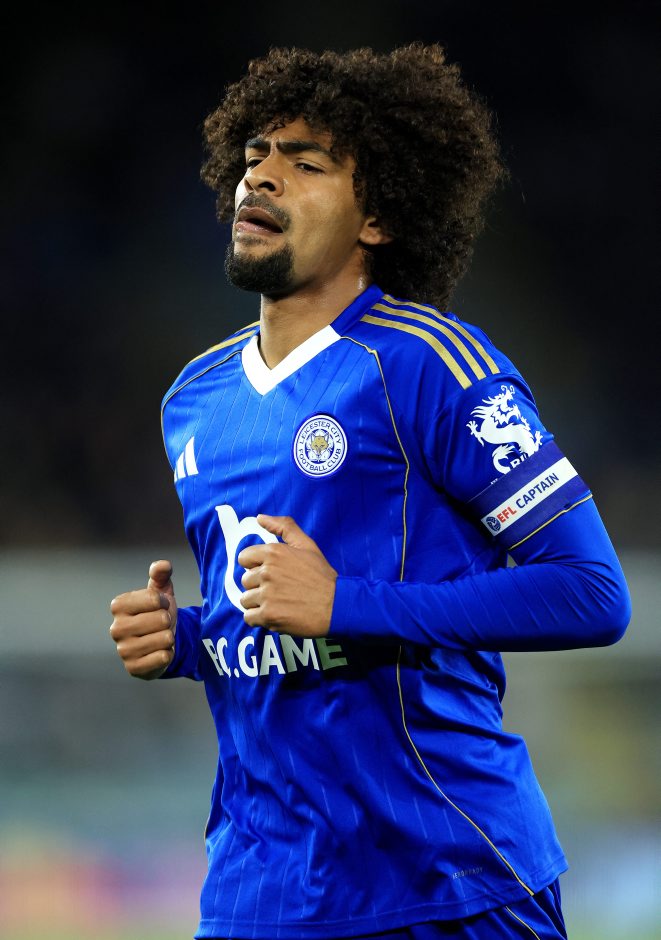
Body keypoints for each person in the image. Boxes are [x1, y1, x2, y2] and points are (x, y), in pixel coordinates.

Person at [109, 45, 630, 940]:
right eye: (254, 156)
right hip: (260, 888)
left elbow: (590, 593)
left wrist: (348, 604)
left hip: (446, 877)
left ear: (378, 217)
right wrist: (190, 640)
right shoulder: (193, 399)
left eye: (305, 163)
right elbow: (278, 624)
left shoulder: (432, 364)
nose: (261, 176)